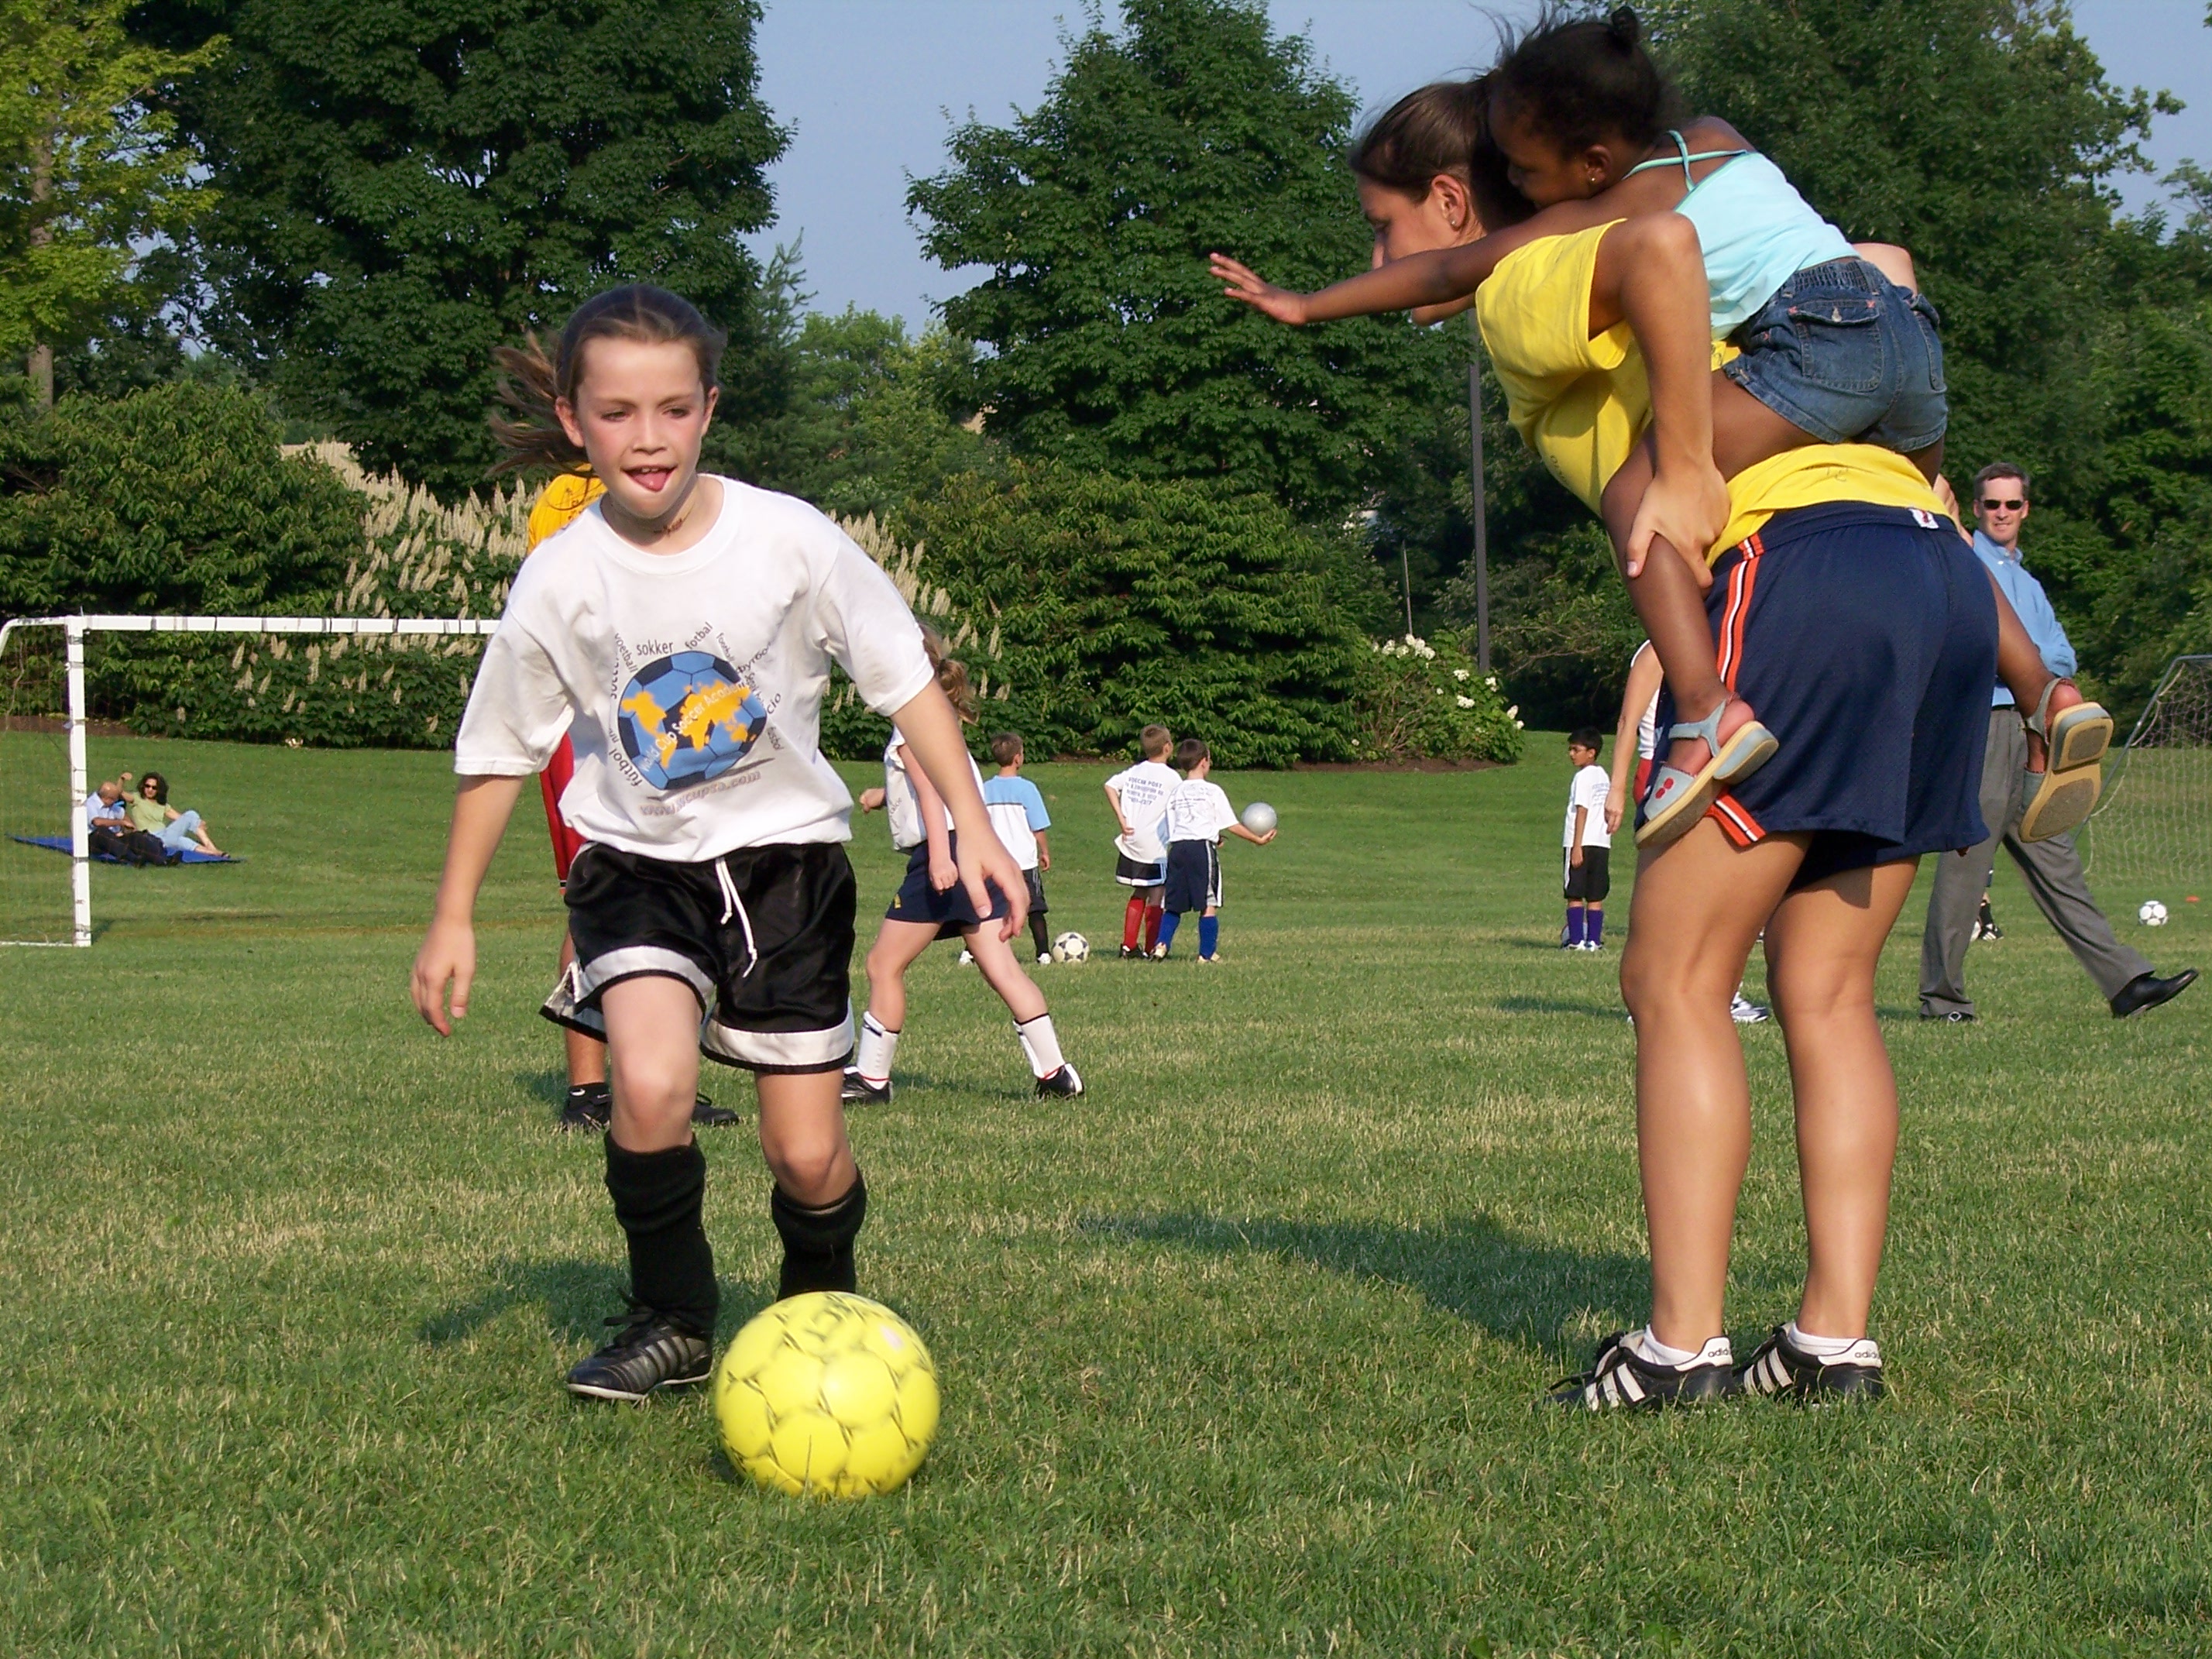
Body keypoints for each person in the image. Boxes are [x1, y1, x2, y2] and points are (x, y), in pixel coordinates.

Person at [1276, 59, 1997, 1410]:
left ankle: (1677, 1348)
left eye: (1385, 230)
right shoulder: (1728, 265)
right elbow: (1875, 274)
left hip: (1795, 580)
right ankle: (1832, 1341)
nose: (1385, 262)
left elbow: (1630, 255)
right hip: (1931, 576)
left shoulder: (1532, 276)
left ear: (1459, 200)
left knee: (1673, 977)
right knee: (1829, 989)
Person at [1212, 11, 2106, 850]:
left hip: (1808, 436)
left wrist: (1305, 305)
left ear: (1587, 164)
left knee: (1636, 494)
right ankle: (2044, 693)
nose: (1523, 189)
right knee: (1929, 508)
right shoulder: (1713, 136)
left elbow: (1466, 270)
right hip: (1905, 345)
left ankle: (1704, 709)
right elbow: (1881, 262)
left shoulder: (1591, 224)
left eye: (1529, 172)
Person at [412, 283, 1030, 1405]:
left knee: (805, 1154)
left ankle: (820, 1305)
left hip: (787, 868)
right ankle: (673, 1320)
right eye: (617, 413)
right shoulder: (560, 574)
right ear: (574, 421)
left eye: (672, 409)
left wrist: (974, 825)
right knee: (650, 1086)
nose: (647, 438)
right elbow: (499, 749)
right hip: (634, 866)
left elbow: (905, 680)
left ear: (709, 408)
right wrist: (453, 914)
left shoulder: (788, 539)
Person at [1918, 464, 2199, 1023]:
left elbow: (2062, 658)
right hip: (1986, 725)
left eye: (2011, 505)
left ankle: (2126, 983)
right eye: (1992, 504)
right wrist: (2027, 664)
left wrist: (2028, 664)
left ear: (2026, 510)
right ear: (1975, 509)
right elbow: (1981, 647)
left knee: (2056, 858)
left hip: (2035, 730)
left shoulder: (2027, 583)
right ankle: (1942, 999)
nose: (2002, 513)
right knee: (1966, 866)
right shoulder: (1964, 560)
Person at [503, 469, 733, 1135]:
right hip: (593, 721)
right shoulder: (569, 496)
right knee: (602, 892)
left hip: (660, 710)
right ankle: (589, 1090)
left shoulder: (669, 481)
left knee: (680, 891)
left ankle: (666, 1077)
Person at [844, 635, 1084, 1107]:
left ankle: (871, 1079)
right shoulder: (940, 723)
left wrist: (938, 856)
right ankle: (1057, 1074)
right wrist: (884, 795)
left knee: (882, 965)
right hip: (978, 851)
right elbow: (934, 785)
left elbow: (931, 793)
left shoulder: (910, 725)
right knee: (1002, 969)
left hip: (947, 853)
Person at [1609, 641, 1771, 1022]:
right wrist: (1616, 788)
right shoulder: (1656, 650)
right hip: (1666, 769)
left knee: (1715, 889)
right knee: (1676, 891)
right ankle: (1655, 993)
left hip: (1702, 767)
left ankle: (1716, 990)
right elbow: (1628, 721)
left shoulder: (1714, 642)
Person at [1152, 738, 1275, 962]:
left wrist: (1214, 836)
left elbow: (1173, 826)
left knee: (1173, 904)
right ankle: (1206, 954)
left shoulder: (1176, 792)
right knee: (1209, 902)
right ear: (1203, 762)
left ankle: (1161, 945)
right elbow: (1231, 824)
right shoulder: (1212, 791)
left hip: (1178, 849)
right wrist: (1257, 839)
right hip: (1202, 850)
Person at [982, 731, 1056, 966]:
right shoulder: (1027, 789)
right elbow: (1038, 826)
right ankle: (1043, 953)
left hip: (994, 860)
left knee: (989, 907)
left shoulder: (985, 789)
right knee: (1034, 906)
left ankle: (971, 952)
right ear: (1017, 758)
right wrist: (1045, 852)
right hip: (1023, 860)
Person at [1104, 726, 1177, 960]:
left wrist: (1121, 819)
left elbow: (1109, 785)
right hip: (1154, 846)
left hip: (1131, 840)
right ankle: (1151, 947)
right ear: (1167, 747)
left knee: (1139, 890)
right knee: (1157, 894)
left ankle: (1128, 946)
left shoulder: (1136, 770)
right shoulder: (1171, 778)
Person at [1562, 728, 1611, 951]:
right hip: (1601, 842)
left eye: (1576, 750)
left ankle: (1575, 941)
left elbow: (1582, 811)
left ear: (1591, 752)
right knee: (1595, 895)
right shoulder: (1603, 776)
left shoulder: (1582, 777)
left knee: (1574, 893)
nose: (1571, 754)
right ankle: (1593, 941)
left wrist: (1576, 846)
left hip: (1581, 841)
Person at [127, 772, 222, 856]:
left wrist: (196, 822)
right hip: (152, 838)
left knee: (191, 817)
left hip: (166, 834)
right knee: (181, 839)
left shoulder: (162, 805)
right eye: (147, 786)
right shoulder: (137, 798)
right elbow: (120, 793)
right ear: (143, 786)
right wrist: (122, 780)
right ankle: (213, 851)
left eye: (154, 788)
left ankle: (212, 850)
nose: (150, 790)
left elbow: (181, 818)